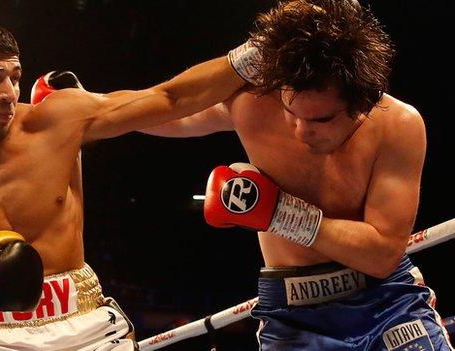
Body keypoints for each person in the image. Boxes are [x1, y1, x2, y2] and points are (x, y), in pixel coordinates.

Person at [0, 19, 251, 350]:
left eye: (14, 77)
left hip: (85, 322)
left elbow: (168, 97)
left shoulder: (57, 121)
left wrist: (253, 56)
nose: (9, 94)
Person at [142, 0, 454, 349]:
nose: (301, 132)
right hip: (294, 314)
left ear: (362, 104)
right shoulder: (254, 105)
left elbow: (381, 255)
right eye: (291, 112)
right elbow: (165, 110)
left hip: (387, 301)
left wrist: (279, 214)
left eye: (321, 120)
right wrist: (87, 108)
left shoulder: (398, 126)